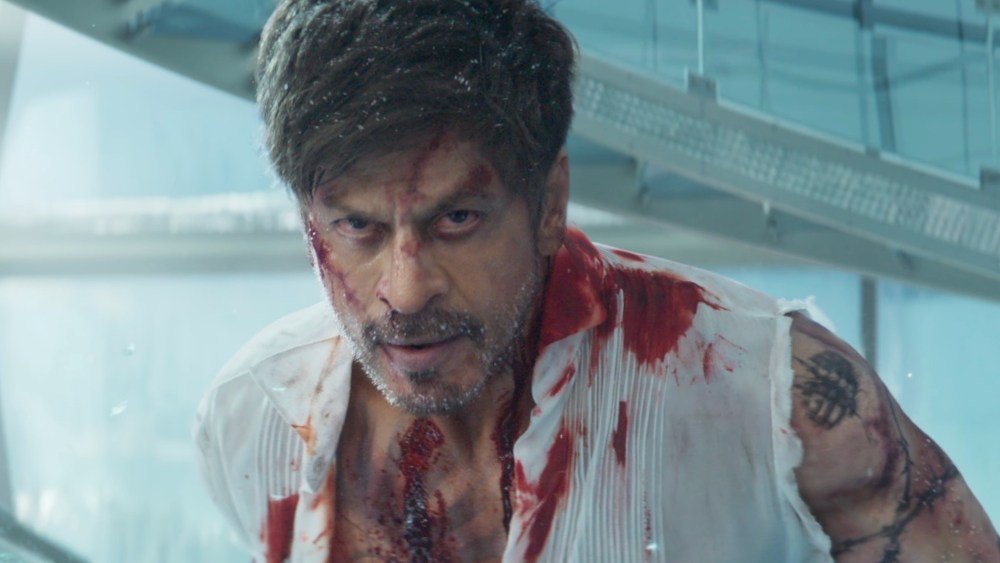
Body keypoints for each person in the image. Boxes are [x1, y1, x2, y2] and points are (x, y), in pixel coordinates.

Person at [194, 0, 1000, 561]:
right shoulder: (251, 420)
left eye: (458, 220)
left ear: (549, 204)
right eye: (357, 227)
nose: (404, 291)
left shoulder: (774, 397)